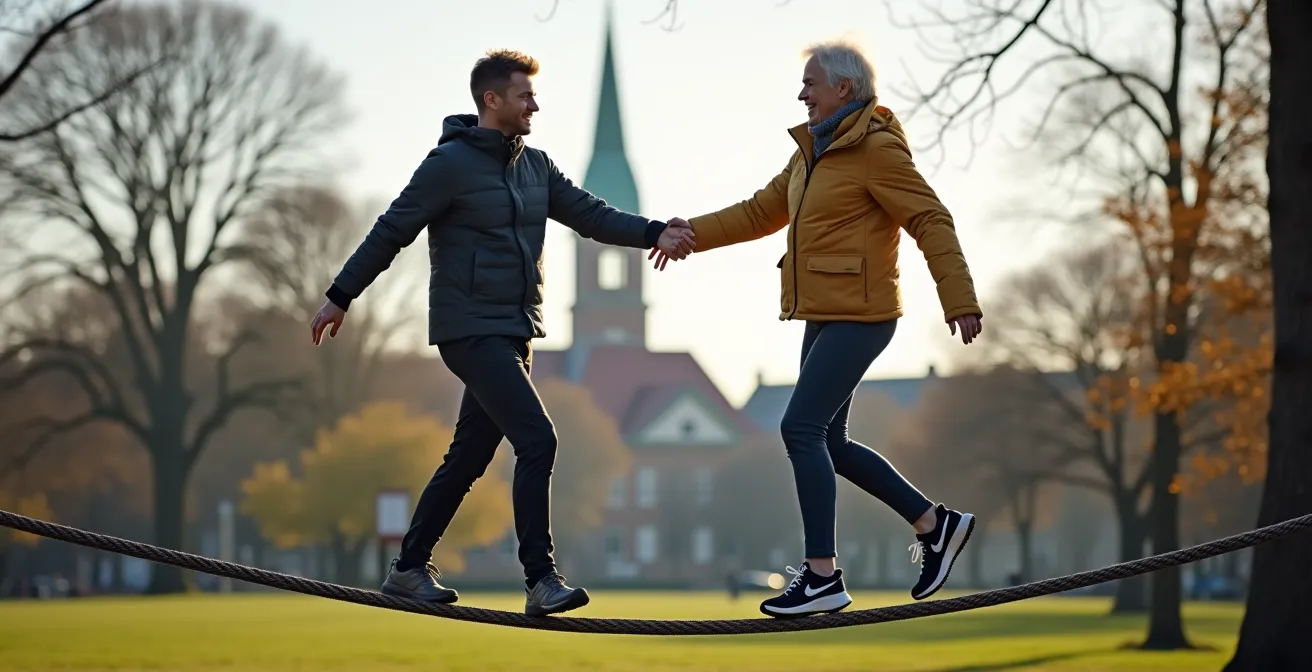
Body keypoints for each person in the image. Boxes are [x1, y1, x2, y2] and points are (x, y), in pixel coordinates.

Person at [310, 49, 696, 617]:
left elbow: (591, 215)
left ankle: (408, 569)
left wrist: (655, 231)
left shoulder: (535, 166)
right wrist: (340, 295)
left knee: (469, 456)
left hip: (517, 330)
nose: (534, 104)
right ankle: (540, 578)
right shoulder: (448, 165)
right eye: (525, 95)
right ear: (492, 100)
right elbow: (391, 229)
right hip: (469, 327)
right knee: (538, 439)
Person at [651, 39, 983, 618]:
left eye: (811, 83)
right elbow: (758, 212)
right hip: (826, 314)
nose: (802, 93)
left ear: (843, 89)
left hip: (863, 315)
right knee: (828, 442)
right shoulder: (811, 155)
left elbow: (930, 217)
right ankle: (935, 524)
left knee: (799, 428)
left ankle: (823, 576)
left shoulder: (876, 151)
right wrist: (688, 234)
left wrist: (958, 298)